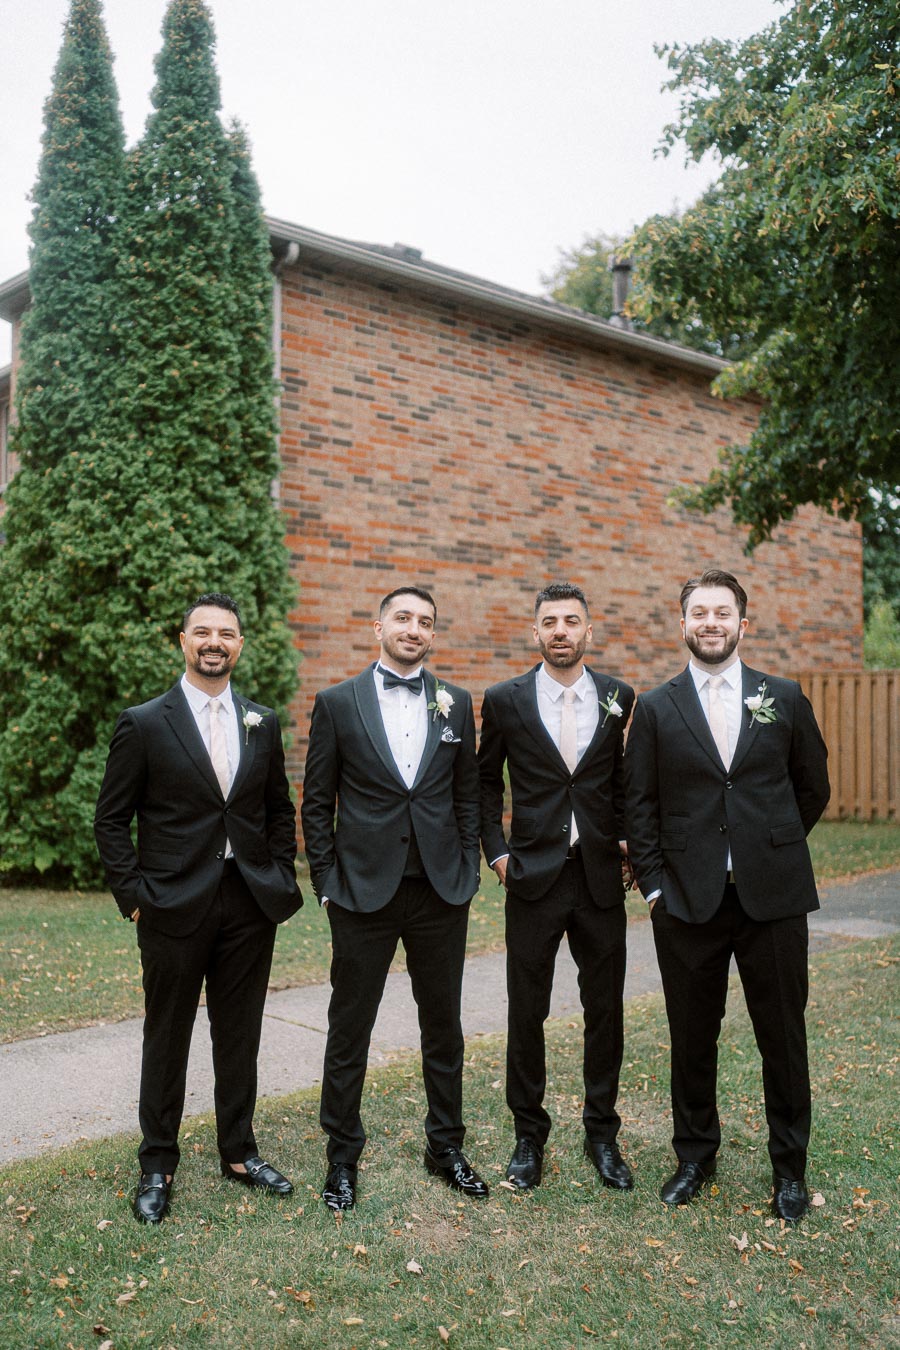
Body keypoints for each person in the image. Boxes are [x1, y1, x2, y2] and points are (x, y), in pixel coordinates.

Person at [624, 568, 830, 1223]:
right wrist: (655, 887)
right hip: (686, 901)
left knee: (783, 1036)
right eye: (699, 613)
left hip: (773, 899)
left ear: (744, 623)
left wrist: (771, 844)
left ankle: (789, 1170)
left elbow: (812, 788)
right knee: (692, 1035)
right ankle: (694, 1157)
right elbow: (640, 806)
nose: (710, 623)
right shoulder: (656, 708)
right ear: (682, 624)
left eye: (722, 613)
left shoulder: (785, 696)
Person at [94, 592, 302, 1224]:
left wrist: (276, 876)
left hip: (247, 906)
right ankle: (157, 1162)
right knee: (168, 1036)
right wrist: (134, 898)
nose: (215, 643)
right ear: (182, 641)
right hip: (170, 906)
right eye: (203, 632)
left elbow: (275, 811)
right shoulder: (145, 722)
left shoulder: (261, 721)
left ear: (240, 645)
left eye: (227, 634)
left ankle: (239, 1152)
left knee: (239, 1035)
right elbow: (111, 820)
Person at [300, 585, 487, 1211]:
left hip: (440, 891)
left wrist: (466, 869)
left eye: (425, 622)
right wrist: (327, 884)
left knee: (445, 1026)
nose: (413, 628)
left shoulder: (456, 704)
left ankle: (446, 1147)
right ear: (377, 626)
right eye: (403, 618)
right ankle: (342, 1155)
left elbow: (468, 797)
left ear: (433, 635)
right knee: (350, 1027)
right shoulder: (337, 703)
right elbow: (316, 803)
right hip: (361, 893)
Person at [478, 582, 635, 1192]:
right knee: (528, 1010)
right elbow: (484, 785)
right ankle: (528, 1137)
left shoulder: (619, 696)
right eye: (551, 621)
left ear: (589, 632)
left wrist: (626, 844)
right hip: (532, 878)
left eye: (572, 621)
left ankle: (602, 1134)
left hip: (599, 877)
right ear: (535, 632)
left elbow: (624, 784)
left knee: (606, 1011)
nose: (561, 631)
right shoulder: (505, 699)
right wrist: (496, 853)